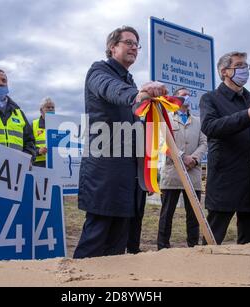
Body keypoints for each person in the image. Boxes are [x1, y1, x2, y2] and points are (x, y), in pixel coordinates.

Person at [73, 26, 168, 258]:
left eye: (137, 44)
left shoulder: (129, 80)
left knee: (117, 248)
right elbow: (110, 89)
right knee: (95, 241)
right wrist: (137, 95)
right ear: (112, 47)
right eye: (128, 42)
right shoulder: (99, 71)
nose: (134, 47)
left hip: (128, 176)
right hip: (105, 173)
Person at [199, 51, 250, 245]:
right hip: (226, 179)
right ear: (225, 71)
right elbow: (210, 127)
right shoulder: (211, 99)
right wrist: (247, 116)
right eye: (240, 65)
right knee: (212, 241)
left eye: (246, 66)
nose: (245, 70)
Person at [158, 88, 207, 249]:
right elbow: (162, 143)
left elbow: (204, 142)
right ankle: (162, 246)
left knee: (194, 214)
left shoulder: (198, 122)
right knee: (167, 214)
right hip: (172, 173)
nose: (185, 98)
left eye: (187, 95)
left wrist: (194, 158)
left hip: (192, 173)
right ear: (174, 99)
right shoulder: (166, 120)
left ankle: (193, 245)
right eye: (181, 95)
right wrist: (181, 156)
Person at [32, 97, 55, 167]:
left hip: (55, 163)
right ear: (41, 110)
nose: (51, 109)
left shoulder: (58, 125)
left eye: (52, 107)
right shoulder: (33, 125)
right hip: (38, 164)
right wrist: (38, 151)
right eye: (48, 107)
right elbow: (27, 145)